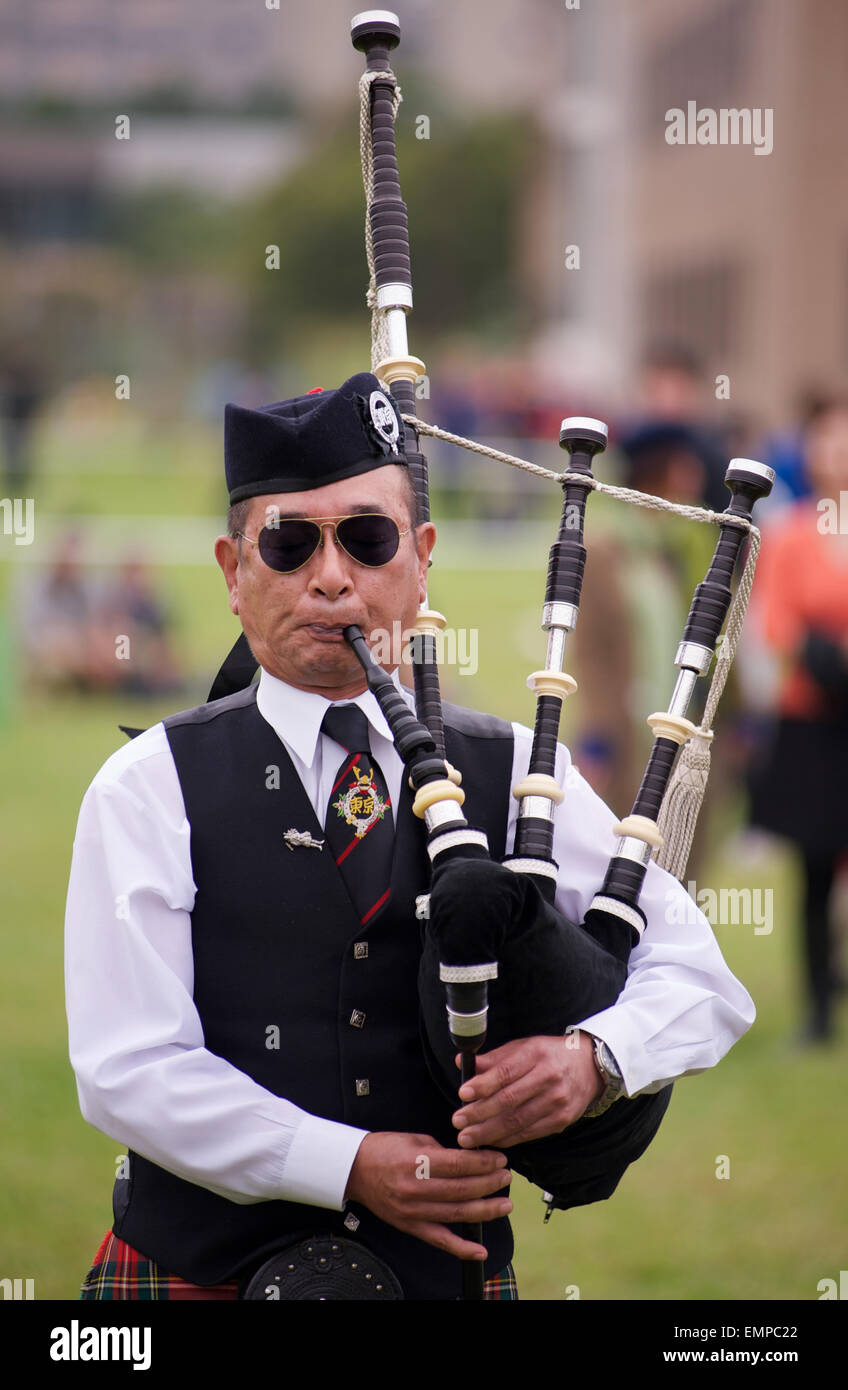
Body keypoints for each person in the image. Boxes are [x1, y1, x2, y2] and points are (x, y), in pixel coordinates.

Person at [65, 372, 755, 1301]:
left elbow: (700, 975)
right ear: (233, 574)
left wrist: (593, 1061)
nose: (332, 576)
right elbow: (126, 1068)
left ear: (421, 558)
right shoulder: (148, 789)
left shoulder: (516, 772)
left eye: (368, 536)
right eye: (288, 542)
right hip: (198, 1273)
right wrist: (344, 1163)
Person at [747, 396, 848, 1043]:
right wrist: (825, 660)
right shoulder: (789, 531)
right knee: (812, 866)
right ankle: (817, 1007)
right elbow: (775, 621)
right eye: (830, 443)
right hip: (815, 720)